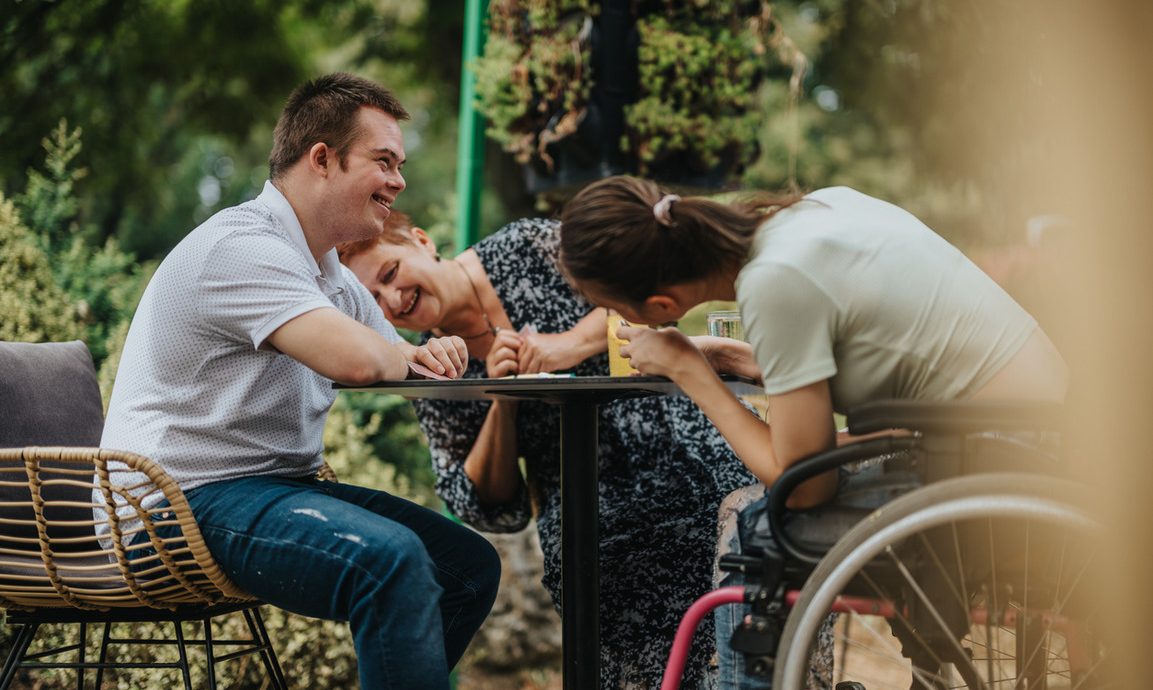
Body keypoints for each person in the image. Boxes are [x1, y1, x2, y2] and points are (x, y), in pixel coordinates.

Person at [557, 176, 1069, 688]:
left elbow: (803, 486)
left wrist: (691, 371)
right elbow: (860, 347)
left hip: (999, 460)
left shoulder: (774, 281)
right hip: (1034, 434)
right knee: (838, 482)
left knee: (754, 523)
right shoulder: (814, 211)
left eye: (612, 305)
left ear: (661, 307)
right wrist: (731, 356)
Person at [99, 73, 500, 690]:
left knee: (467, 567)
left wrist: (431, 350)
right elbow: (364, 363)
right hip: (171, 504)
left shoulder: (330, 273)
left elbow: (394, 355)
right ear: (322, 159)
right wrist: (398, 354)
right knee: (389, 563)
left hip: (266, 489)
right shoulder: (240, 248)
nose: (398, 181)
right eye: (383, 161)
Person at [338, 211, 761, 689]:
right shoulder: (425, 364)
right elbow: (483, 503)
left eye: (391, 274)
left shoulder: (527, 243)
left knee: (744, 629)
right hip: (591, 524)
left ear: (421, 240)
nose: (393, 299)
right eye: (371, 298)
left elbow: (645, 284)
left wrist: (568, 346)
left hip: (691, 464)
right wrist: (506, 401)